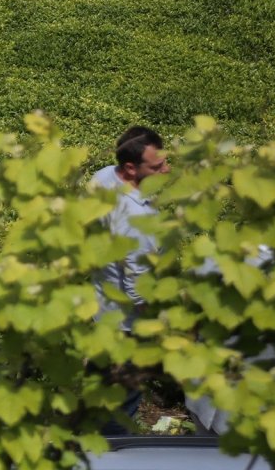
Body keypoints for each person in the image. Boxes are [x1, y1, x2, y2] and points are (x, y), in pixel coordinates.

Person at [93, 127, 169, 430]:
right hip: (125, 325)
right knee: (122, 406)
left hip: (101, 307)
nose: (167, 169)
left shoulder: (103, 178)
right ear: (130, 168)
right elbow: (139, 288)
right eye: (157, 167)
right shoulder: (137, 219)